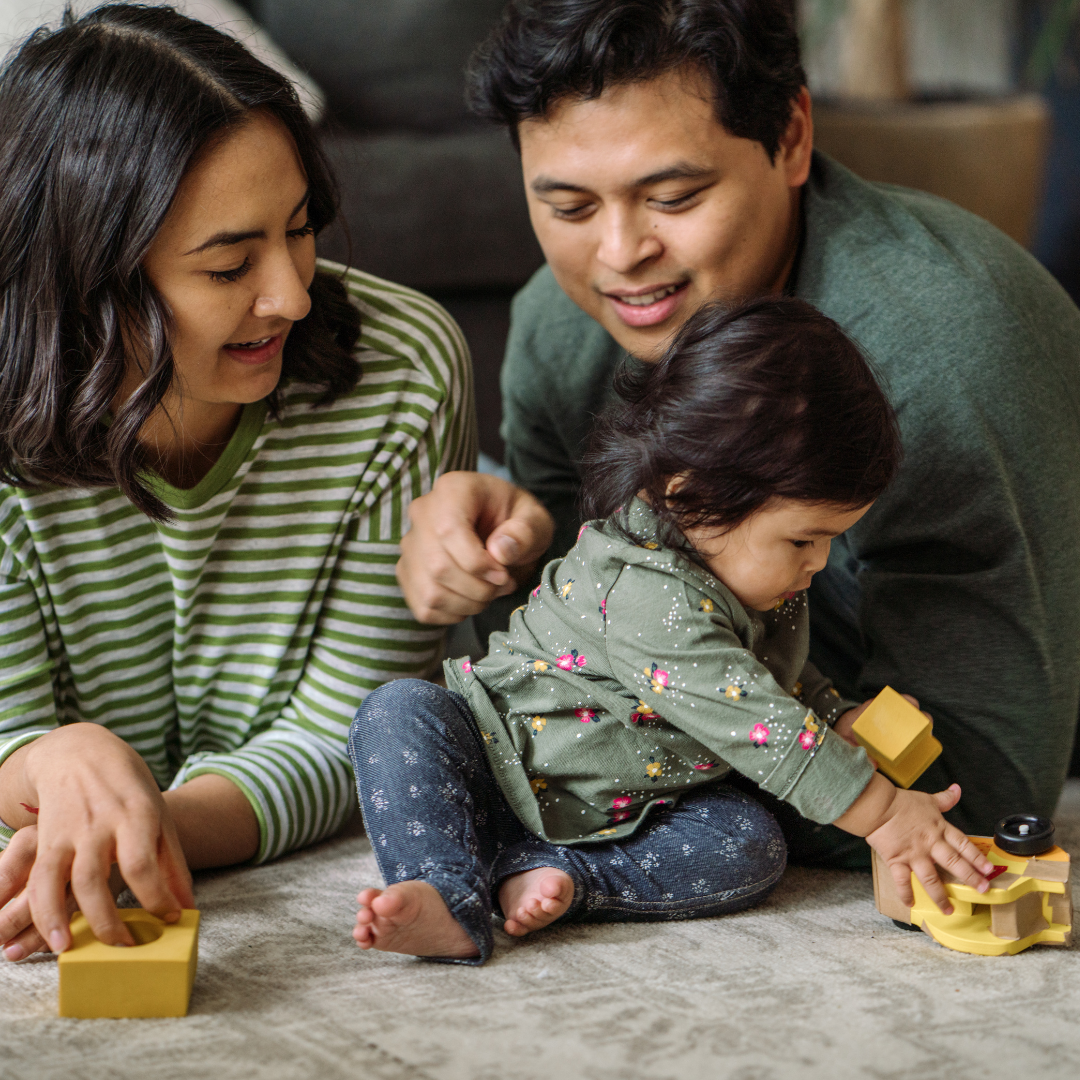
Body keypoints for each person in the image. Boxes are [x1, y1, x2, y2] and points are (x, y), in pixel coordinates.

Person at [395, 0, 1080, 859]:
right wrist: (501, 551)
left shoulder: (941, 351)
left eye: (673, 196)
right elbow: (572, 676)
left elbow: (980, 786)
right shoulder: (560, 326)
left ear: (792, 137)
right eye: (569, 208)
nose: (618, 253)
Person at [0, 3, 474, 962]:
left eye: (300, 230)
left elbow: (354, 737)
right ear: (86, 276)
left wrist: (145, 826)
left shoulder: (404, 374)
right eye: (228, 266)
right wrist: (42, 761)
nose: (294, 294)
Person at [349, 298, 997, 963]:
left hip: (628, 811)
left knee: (752, 844)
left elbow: (773, 681)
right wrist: (885, 813)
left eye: (832, 538)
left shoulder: (755, 574)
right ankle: (443, 888)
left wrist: (836, 717)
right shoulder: (643, 591)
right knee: (399, 710)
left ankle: (567, 877)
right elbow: (758, 721)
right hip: (495, 762)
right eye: (805, 538)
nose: (820, 560)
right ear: (693, 498)